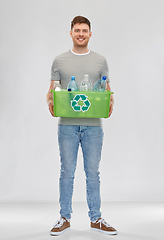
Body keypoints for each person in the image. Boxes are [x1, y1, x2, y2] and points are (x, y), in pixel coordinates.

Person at [46, 16, 117, 236]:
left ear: (90, 34)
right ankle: (64, 218)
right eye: (77, 30)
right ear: (71, 33)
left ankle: (96, 218)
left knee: (92, 173)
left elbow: (106, 89)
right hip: (67, 125)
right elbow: (52, 90)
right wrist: (50, 99)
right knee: (67, 172)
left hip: (93, 127)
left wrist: (111, 100)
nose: (80, 34)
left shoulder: (100, 61)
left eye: (84, 30)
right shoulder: (60, 60)